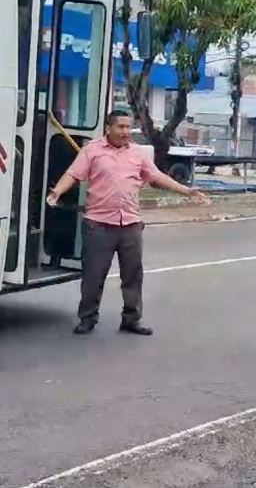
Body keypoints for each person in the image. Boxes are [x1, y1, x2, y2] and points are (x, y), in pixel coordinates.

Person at [47, 110, 208, 335]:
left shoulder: (137, 153)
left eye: (128, 127)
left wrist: (186, 190)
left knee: (133, 275)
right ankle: (88, 317)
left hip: (130, 224)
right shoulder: (92, 150)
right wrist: (57, 192)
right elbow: (73, 174)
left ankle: (131, 319)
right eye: (120, 127)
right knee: (93, 275)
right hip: (99, 225)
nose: (125, 132)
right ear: (108, 128)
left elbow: (156, 176)